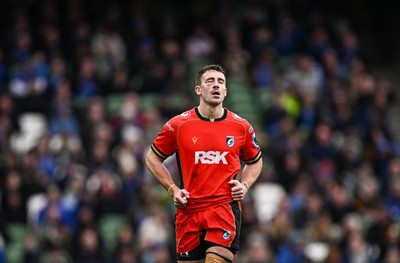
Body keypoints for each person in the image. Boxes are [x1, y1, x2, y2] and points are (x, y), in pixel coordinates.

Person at [145, 64, 263, 263]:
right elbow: (152, 158)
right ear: (198, 89)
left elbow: (255, 162)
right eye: (210, 81)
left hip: (224, 208)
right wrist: (173, 189)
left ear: (225, 91)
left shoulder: (241, 127)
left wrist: (244, 185)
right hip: (189, 211)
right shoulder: (178, 125)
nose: (216, 85)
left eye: (221, 82)